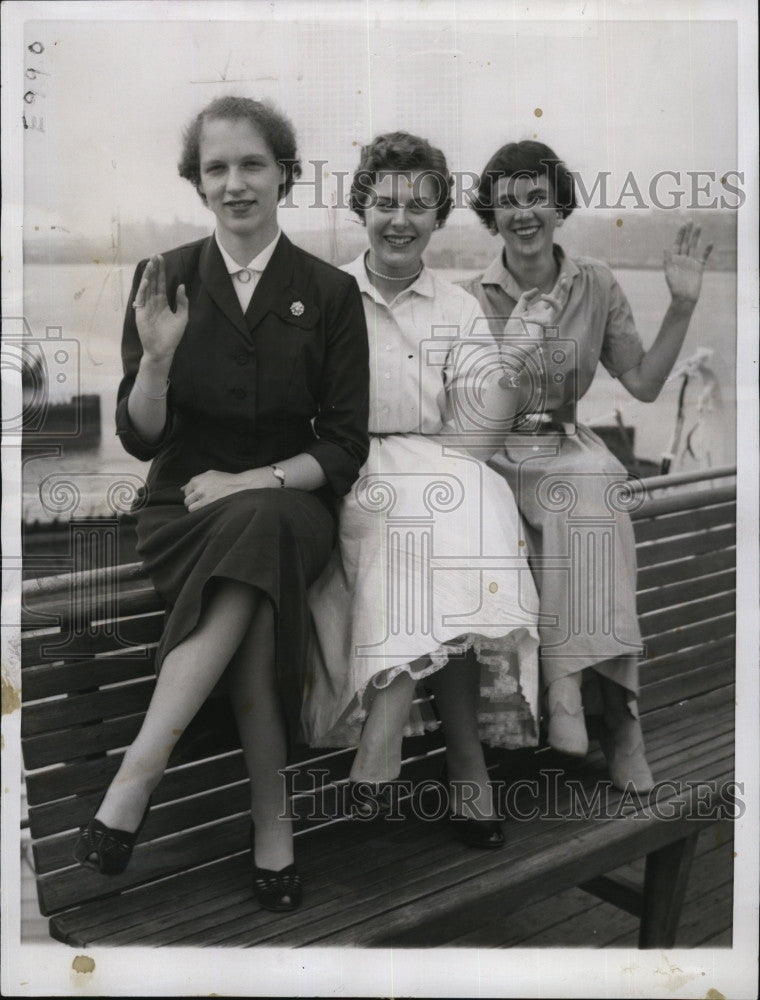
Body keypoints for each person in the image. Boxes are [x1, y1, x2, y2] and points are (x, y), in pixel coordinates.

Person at [73, 96, 370, 912]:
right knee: (256, 604)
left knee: (262, 523)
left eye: (252, 165)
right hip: (181, 508)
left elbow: (345, 445)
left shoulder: (330, 292)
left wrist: (252, 480)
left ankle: (139, 772)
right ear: (197, 183)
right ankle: (273, 825)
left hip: (287, 501)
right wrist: (157, 364)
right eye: (217, 168)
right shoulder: (163, 277)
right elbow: (140, 440)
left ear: (285, 175)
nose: (235, 184)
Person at [303, 132, 542, 847]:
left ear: (438, 218)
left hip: (438, 463)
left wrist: (513, 366)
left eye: (418, 204)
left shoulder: (458, 308)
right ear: (361, 209)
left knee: (462, 509)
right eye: (385, 203)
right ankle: (466, 768)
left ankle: (388, 742)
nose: (400, 219)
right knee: (421, 530)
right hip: (352, 465)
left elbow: (476, 442)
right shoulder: (324, 295)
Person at [463, 140, 712, 791]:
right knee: (590, 492)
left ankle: (579, 697)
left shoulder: (595, 282)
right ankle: (613, 718)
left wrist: (682, 307)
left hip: (566, 448)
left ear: (558, 204)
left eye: (536, 196)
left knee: (594, 483)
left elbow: (644, 384)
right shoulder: (470, 297)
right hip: (499, 455)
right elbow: (466, 415)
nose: (523, 213)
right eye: (508, 201)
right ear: (492, 211)